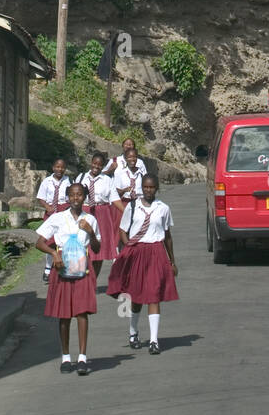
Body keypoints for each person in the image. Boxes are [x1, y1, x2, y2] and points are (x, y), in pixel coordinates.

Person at [107, 173, 177, 355]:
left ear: (157, 188)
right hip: (136, 252)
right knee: (136, 296)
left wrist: (172, 261)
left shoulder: (163, 208)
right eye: (145, 187)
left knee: (153, 294)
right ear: (141, 188)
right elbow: (123, 230)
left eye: (152, 187)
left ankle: (154, 340)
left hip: (156, 252)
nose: (148, 190)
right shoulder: (132, 206)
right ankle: (133, 332)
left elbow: (167, 236)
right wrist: (129, 245)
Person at [35, 182, 101, 374]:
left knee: (82, 312)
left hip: (82, 267)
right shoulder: (57, 218)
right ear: (67, 197)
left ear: (84, 197)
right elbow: (39, 243)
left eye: (79, 195)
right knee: (64, 315)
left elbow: (96, 248)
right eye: (72, 195)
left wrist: (90, 232)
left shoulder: (90, 219)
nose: (75, 198)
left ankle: (82, 357)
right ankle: (65, 356)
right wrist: (54, 254)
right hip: (62, 266)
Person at [75, 151, 118, 275]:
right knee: (82, 245)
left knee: (99, 248)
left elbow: (115, 199)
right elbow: (73, 197)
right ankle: (81, 276)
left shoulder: (107, 180)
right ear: (91, 163)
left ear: (103, 166)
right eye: (94, 163)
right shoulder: (81, 177)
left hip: (102, 213)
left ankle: (93, 279)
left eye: (99, 165)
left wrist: (128, 211)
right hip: (84, 211)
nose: (96, 166)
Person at [36, 158, 71, 284]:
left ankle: (62, 266)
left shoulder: (68, 181)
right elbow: (41, 197)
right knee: (49, 241)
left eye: (62, 167)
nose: (59, 169)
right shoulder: (47, 181)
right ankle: (47, 268)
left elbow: (71, 196)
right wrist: (47, 207)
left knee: (61, 240)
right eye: (57, 167)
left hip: (63, 209)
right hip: (51, 211)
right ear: (53, 167)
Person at [110, 146, 146, 227]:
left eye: (134, 157)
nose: (132, 159)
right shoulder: (120, 173)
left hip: (139, 204)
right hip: (124, 204)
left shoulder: (142, 173)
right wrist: (123, 190)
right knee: (122, 230)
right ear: (125, 159)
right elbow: (115, 192)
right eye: (129, 157)